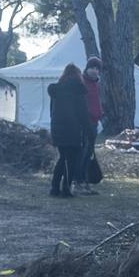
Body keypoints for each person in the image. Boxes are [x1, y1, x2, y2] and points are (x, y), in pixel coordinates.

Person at [47, 63, 91, 198]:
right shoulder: (78, 90)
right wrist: (88, 131)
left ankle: (55, 187)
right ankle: (66, 187)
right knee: (72, 160)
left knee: (63, 158)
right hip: (73, 129)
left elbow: (51, 111)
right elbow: (82, 113)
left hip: (58, 128)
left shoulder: (56, 91)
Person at [77, 56, 104, 195]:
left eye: (97, 68)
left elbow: (96, 102)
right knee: (82, 152)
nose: (94, 71)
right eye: (92, 68)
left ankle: (85, 181)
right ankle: (78, 181)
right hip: (84, 123)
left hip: (94, 122)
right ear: (87, 68)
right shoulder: (82, 82)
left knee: (89, 154)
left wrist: (100, 114)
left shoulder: (96, 84)